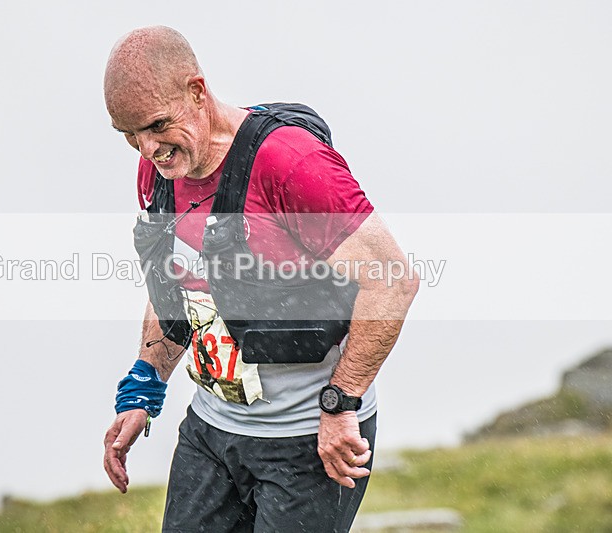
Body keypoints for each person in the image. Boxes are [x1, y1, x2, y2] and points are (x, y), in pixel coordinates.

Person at [102, 26, 418, 532]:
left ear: (197, 92)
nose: (147, 149)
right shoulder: (163, 170)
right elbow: (179, 288)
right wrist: (144, 384)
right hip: (212, 433)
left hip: (309, 439)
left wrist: (341, 404)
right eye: (129, 135)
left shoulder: (289, 163)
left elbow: (393, 281)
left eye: (157, 125)